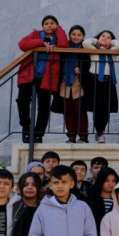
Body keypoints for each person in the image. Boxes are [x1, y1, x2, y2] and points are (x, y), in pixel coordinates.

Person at [17, 15, 69, 143]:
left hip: (47, 76)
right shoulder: (35, 34)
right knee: (22, 100)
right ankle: (27, 127)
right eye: (46, 23)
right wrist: (42, 43)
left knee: (44, 106)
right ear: (42, 26)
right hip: (28, 73)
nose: (49, 25)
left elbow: (64, 45)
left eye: (52, 23)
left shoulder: (58, 37)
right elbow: (22, 44)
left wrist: (60, 29)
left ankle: (39, 133)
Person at [82, 30, 119, 143]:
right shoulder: (94, 50)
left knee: (106, 109)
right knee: (97, 108)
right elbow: (85, 43)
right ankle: (99, 132)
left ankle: (101, 130)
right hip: (94, 81)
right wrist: (96, 40)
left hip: (108, 82)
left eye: (108, 37)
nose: (105, 38)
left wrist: (111, 43)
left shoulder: (113, 52)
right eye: (102, 36)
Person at [60, 24, 91, 143]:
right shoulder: (64, 47)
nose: (76, 37)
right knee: (68, 110)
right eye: (73, 34)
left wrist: (81, 69)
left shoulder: (84, 49)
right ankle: (71, 135)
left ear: (83, 36)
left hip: (79, 83)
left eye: (79, 35)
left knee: (80, 110)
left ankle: (83, 135)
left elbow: (88, 64)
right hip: (65, 82)